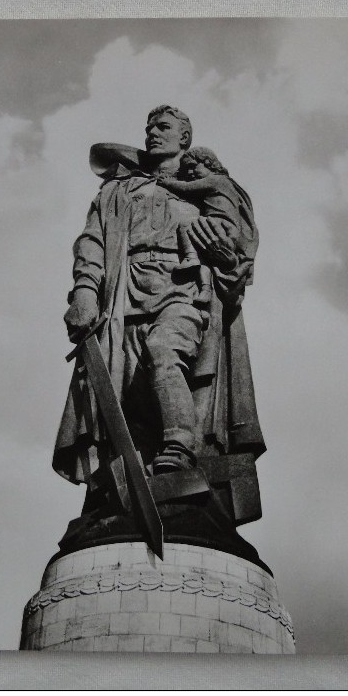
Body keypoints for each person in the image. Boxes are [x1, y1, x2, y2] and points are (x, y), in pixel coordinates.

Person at [54, 105, 264, 491]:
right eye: (149, 128)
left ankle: (181, 445)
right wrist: (85, 292)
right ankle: (136, 482)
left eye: (164, 127)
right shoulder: (118, 190)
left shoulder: (206, 186)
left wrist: (225, 256)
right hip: (123, 296)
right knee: (129, 393)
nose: (153, 133)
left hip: (182, 289)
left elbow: (237, 248)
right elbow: (92, 242)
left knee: (164, 352)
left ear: (185, 137)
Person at [157, 146, 241, 303]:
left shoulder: (217, 180)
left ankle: (190, 257)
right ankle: (205, 290)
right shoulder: (225, 183)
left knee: (185, 225)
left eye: (193, 166)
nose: (190, 173)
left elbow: (187, 188)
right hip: (225, 228)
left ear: (208, 163)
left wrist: (167, 183)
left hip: (220, 224)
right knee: (204, 260)